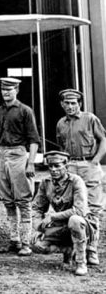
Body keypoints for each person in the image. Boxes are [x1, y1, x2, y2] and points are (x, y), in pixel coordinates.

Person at [0, 77, 40, 256]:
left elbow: (34, 140)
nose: (6, 93)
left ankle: (26, 243)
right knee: (7, 200)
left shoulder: (25, 111)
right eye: (3, 90)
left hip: (18, 153)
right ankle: (14, 240)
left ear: (17, 90)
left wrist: (31, 162)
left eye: (10, 90)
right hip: (1, 154)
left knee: (23, 200)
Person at [55, 88, 106, 266]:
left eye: (73, 103)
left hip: (88, 165)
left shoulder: (90, 119)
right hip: (70, 166)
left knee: (92, 209)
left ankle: (92, 250)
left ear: (79, 104)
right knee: (70, 208)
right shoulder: (61, 123)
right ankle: (73, 250)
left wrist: (95, 161)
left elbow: (103, 139)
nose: (70, 106)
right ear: (62, 104)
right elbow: (61, 148)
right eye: (66, 103)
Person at [31, 151, 92, 276]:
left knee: (75, 220)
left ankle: (81, 262)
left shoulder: (76, 181)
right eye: (51, 166)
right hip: (61, 226)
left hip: (82, 226)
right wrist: (38, 227)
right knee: (35, 245)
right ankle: (68, 250)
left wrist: (52, 216)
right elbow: (37, 208)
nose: (53, 169)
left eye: (57, 166)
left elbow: (79, 211)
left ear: (65, 165)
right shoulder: (46, 183)